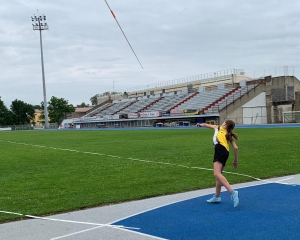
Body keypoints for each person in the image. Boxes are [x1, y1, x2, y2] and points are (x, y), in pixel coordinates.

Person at [196, 120, 239, 208]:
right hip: (225, 152)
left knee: (217, 173)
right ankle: (217, 197)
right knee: (218, 176)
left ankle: (233, 192)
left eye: (225, 123)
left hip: (220, 150)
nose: (223, 123)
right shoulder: (228, 134)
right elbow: (235, 148)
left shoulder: (219, 128)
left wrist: (200, 125)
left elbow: (207, 125)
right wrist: (235, 160)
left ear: (226, 125)